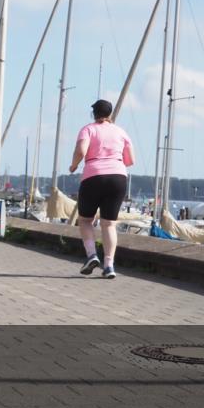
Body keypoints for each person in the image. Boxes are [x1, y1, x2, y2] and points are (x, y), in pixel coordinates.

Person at [68, 99, 134, 279]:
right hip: (118, 177)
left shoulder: (88, 129)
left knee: (85, 220)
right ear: (110, 114)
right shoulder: (121, 132)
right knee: (109, 224)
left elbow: (81, 150)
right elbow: (130, 160)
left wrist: (73, 165)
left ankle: (91, 255)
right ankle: (109, 266)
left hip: (93, 175)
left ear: (94, 114)